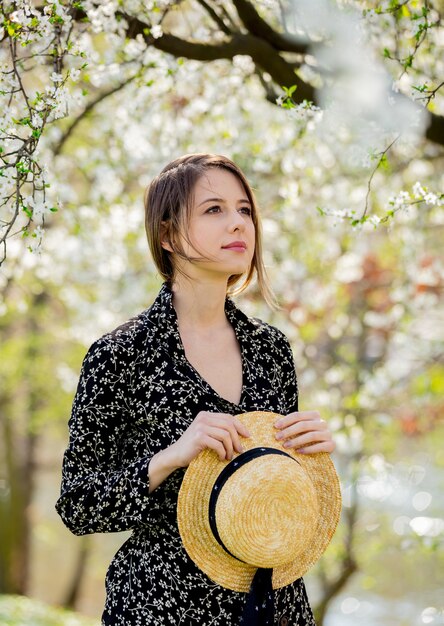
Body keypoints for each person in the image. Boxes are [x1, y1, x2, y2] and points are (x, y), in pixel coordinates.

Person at [56, 153, 335, 625]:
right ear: (167, 235)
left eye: (245, 210)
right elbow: (78, 506)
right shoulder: (120, 355)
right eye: (215, 210)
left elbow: (273, 488)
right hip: (160, 605)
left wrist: (310, 460)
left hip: (272, 605)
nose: (238, 224)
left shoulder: (272, 350)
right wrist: (171, 456)